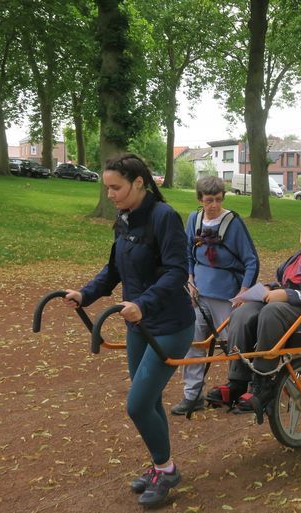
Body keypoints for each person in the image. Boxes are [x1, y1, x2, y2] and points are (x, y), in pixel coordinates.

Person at [63, 154, 195, 507]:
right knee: (148, 400)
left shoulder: (163, 217)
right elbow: (113, 270)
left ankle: (166, 471)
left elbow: (177, 272)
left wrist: (144, 303)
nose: (110, 194)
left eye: (116, 187)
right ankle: (160, 466)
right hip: (137, 323)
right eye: (107, 187)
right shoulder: (123, 219)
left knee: (137, 405)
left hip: (168, 325)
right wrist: (85, 293)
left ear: (139, 183)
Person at [207, 213, 301, 415]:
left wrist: (285, 294)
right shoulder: (297, 258)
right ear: (300, 236)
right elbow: (284, 283)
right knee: (243, 312)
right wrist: (267, 288)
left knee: (273, 311)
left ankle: (263, 386)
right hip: (290, 313)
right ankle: (237, 382)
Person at [170, 176, 259, 416]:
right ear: (200, 199)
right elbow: (188, 254)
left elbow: (251, 261)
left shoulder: (233, 223)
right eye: (209, 200)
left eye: (218, 200)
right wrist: (189, 279)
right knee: (194, 343)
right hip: (198, 295)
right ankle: (192, 395)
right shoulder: (194, 219)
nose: (214, 205)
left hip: (226, 296)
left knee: (235, 343)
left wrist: (243, 292)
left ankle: (245, 388)